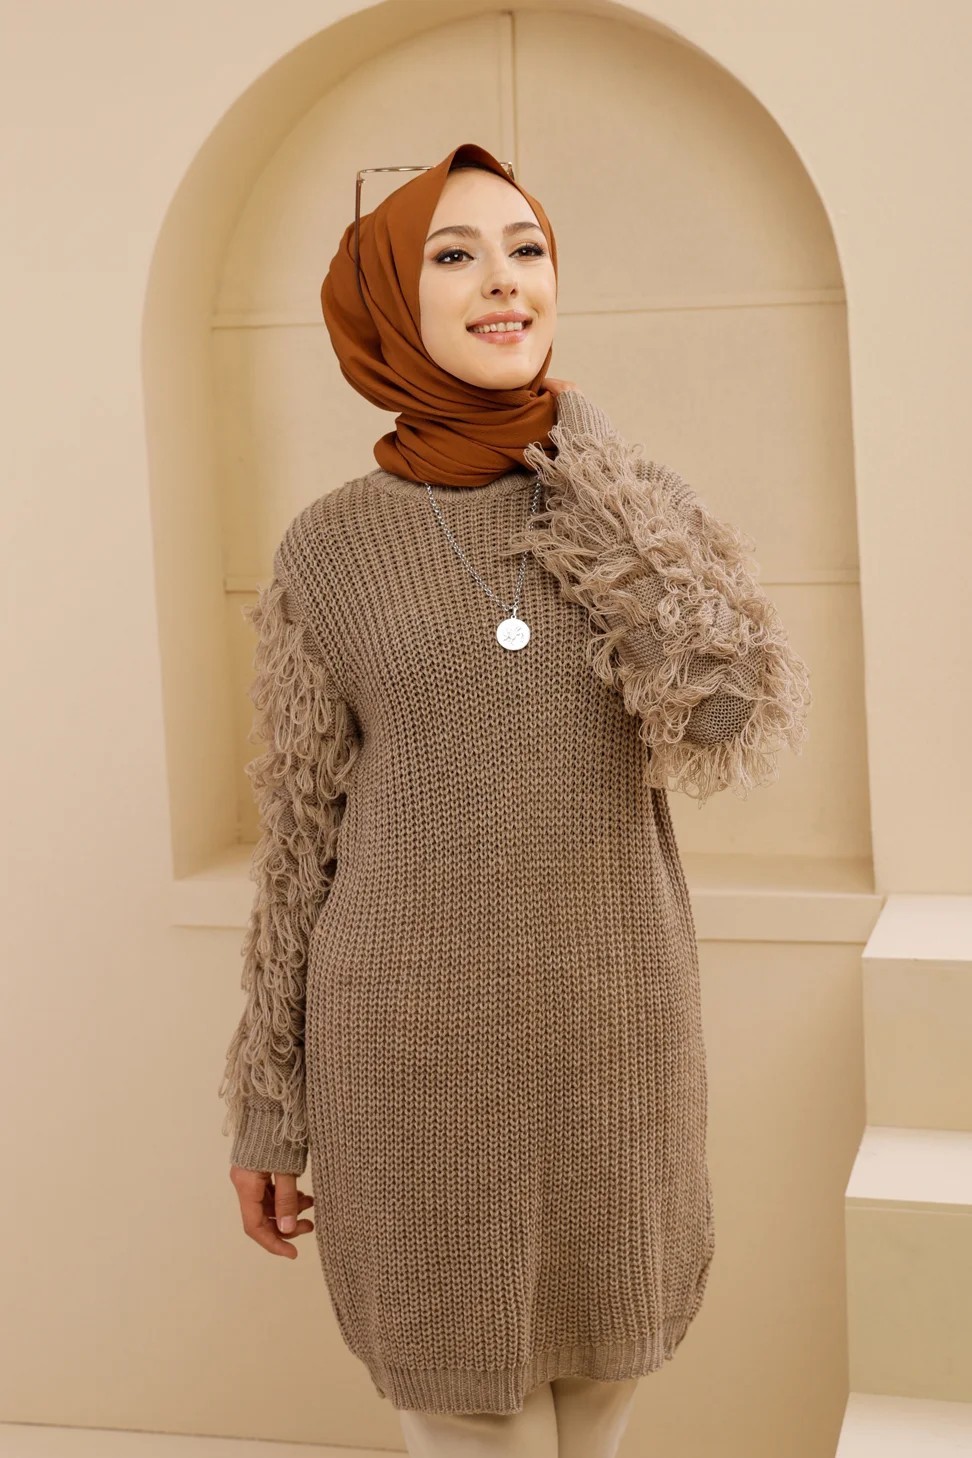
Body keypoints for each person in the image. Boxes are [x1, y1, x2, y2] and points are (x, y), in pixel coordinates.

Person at [218, 142, 811, 1457]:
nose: (505, 281)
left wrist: (590, 468)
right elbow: (301, 837)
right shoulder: (329, 547)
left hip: (615, 1043)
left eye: (527, 249)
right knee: (466, 1416)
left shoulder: (630, 503)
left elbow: (727, 708)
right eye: (455, 254)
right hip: (411, 1059)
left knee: (602, 1402)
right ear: (391, 300)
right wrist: (269, 1101)